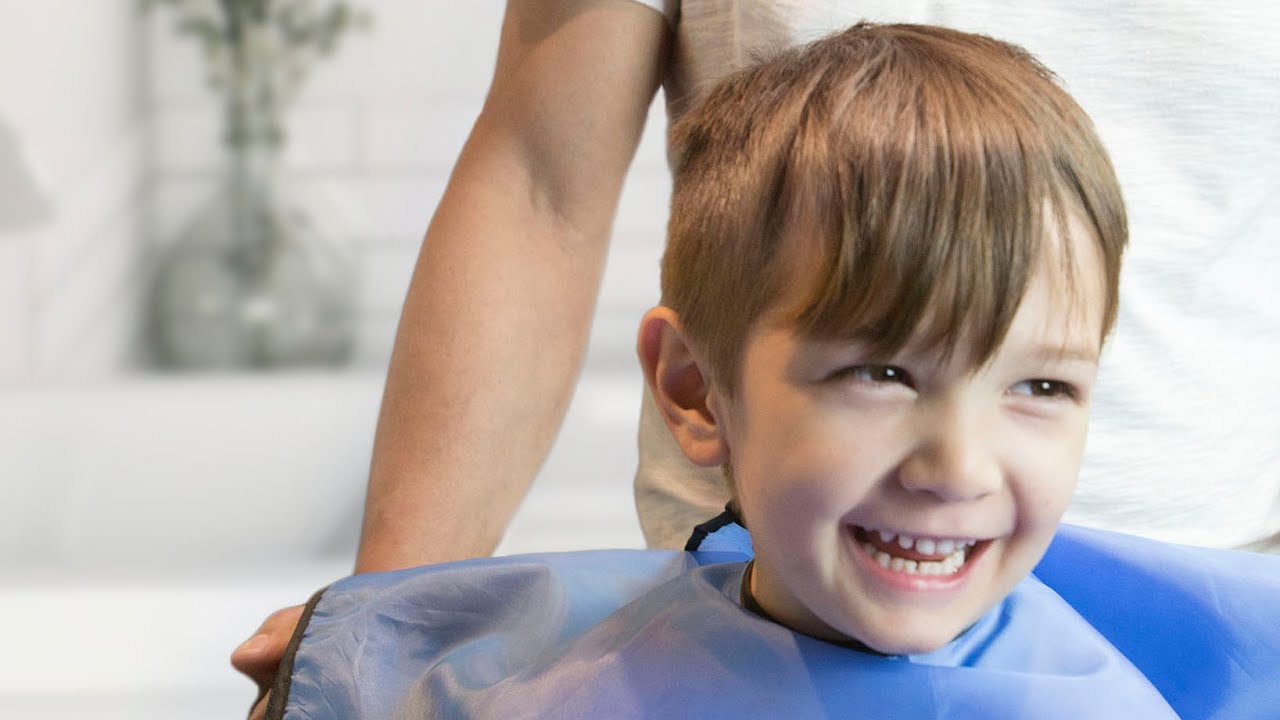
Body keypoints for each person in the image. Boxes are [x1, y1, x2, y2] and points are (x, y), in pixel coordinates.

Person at [234, 1, 1280, 715]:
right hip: (738, 625)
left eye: (1044, 384)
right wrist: (389, 639)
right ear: (691, 385)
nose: (956, 465)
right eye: (881, 370)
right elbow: (537, 187)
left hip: (1215, 607)